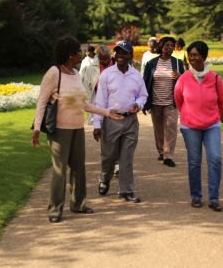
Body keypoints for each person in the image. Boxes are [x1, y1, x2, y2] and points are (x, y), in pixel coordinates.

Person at [32, 36, 122, 223]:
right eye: (78, 52)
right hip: (59, 130)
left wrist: (107, 112)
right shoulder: (54, 73)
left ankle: (78, 203)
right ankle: (55, 209)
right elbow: (41, 102)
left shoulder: (74, 74)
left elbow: (83, 104)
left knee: (78, 168)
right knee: (60, 169)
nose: (81, 55)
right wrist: (37, 128)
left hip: (77, 128)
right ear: (69, 54)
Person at [174, 41, 223, 212]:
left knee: (215, 159)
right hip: (190, 127)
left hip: (212, 125)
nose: (192, 58)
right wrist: (188, 115)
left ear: (204, 57)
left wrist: (214, 117)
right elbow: (178, 100)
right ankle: (196, 196)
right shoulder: (183, 79)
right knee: (194, 162)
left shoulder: (215, 78)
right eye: (190, 55)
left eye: (196, 55)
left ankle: (214, 198)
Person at [93, 41, 148, 203]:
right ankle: (104, 179)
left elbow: (143, 95)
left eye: (123, 53)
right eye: (117, 52)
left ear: (130, 55)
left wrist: (138, 104)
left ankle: (127, 190)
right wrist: (97, 125)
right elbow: (100, 102)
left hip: (130, 121)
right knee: (108, 156)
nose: (119, 56)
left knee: (126, 158)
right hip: (111, 120)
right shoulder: (107, 75)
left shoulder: (136, 75)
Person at [142, 36, 185, 167]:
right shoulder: (152, 63)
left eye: (172, 46)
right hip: (155, 102)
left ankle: (168, 156)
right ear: (161, 47)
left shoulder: (178, 63)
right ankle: (161, 151)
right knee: (158, 129)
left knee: (171, 128)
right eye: (167, 45)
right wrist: (144, 102)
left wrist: (179, 76)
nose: (170, 48)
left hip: (171, 102)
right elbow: (145, 83)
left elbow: (185, 81)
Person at [80, 45, 111, 124]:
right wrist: (88, 102)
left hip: (112, 99)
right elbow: (86, 86)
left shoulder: (115, 65)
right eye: (103, 59)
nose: (106, 61)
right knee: (98, 124)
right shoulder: (91, 68)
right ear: (98, 57)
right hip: (97, 99)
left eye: (108, 58)